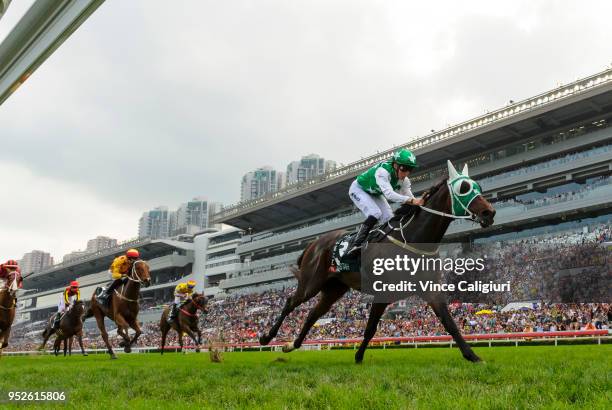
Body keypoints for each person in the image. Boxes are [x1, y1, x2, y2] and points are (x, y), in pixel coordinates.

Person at [345, 148, 425, 256]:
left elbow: (410, 198)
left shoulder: (404, 180)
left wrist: (419, 202)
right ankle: (355, 245)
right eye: (404, 168)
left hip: (374, 193)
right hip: (358, 189)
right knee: (375, 213)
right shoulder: (383, 172)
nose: (406, 173)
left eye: (410, 169)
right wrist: (412, 200)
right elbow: (389, 195)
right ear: (395, 165)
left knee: (389, 218)